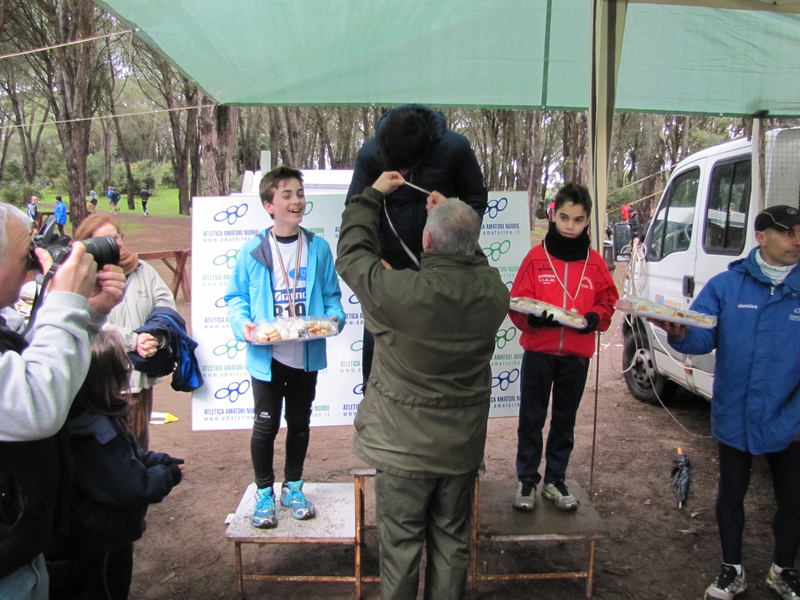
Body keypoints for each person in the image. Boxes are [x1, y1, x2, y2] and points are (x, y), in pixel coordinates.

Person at [336, 171, 509, 600]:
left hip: (402, 451)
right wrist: (455, 224)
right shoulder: (493, 292)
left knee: (400, 547)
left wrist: (371, 196)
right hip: (460, 450)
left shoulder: (399, 292)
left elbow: (352, 254)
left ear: (426, 243)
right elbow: (475, 262)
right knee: (452, 543)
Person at [650, 205, 800, 600]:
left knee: (794, 500)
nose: (797, 240)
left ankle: (784, 570)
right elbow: (701, 338)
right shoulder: (725, 286)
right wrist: (679, 333)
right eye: (788, 232)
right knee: (730, 495)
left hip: (791, 416)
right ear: (761, 236)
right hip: (736, 412)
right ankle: (731, 569)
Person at [0, 202, 125, 600]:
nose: (32, 269)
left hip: (19, 551)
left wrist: (85, 314)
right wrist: (64, 303)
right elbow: (34, 405)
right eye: (26, 255)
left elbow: (30, 368)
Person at [225, 166, 345, 529]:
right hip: (267, 355)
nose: (296, 201)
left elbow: (331, 296)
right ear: (269, 205)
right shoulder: (253, 251)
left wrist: (334, 319)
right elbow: (235, 299)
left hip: (305, 355)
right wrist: (241, 325)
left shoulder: (319, 247)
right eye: (286, 195)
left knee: (300, 423)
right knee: (265, 426)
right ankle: (264, 491)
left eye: (299, 193)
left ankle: (293, 485)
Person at [345, 103, 488, 384]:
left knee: (436, 353)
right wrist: (374, 261)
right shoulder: (370, 152)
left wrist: (453, 220)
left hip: (442, 266)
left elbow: (477, 201)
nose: (405, 174)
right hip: (388, 267)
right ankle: (373, 403)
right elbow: (356, 206)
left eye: (410, 167)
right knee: (378, 348)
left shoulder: (456, 148)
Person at [50, 330, 184, 600]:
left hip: (103, 533)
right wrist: (167, 474)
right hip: (101, 538)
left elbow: (125, 462)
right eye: (123, 365)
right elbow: (133, 487)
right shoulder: (97, 434)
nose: (128, 368)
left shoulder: (94, 418)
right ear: (107, 378)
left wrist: (157, 460)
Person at [508, 183, 618, 512]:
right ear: (553, 215)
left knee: (565, 420)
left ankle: (555, 480)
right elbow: (516, 304)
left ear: (588, 222)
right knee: (531, 418)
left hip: (575, 356)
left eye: (579, 220)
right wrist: (534, 321)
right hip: (539, 353)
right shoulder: (536, 258)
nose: (570, 226)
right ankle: (527, 480)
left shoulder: (595, 263)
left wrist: (593, 319)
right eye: (565, 218)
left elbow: (608, 302)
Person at [74, 215, 176, 452]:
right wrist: (132, 340)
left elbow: (166, 307)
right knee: (108, 442)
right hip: (101, 373)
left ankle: (142, 483)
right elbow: (87, 319)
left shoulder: (144, 270)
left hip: (140, 371)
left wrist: (156, 337)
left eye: (116, 236)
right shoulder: (81, 277)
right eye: (104, 239)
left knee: (139, 436)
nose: (115, 243)